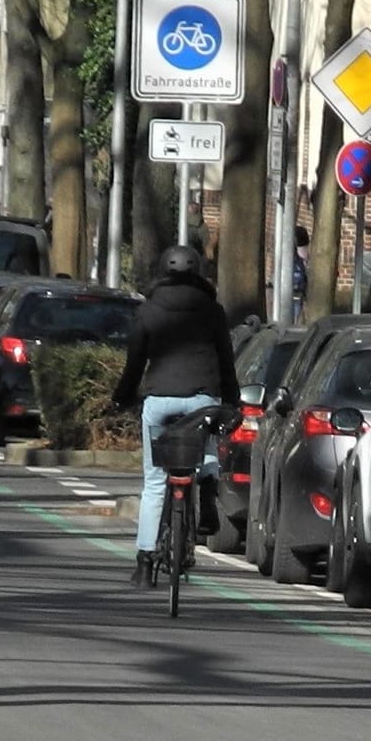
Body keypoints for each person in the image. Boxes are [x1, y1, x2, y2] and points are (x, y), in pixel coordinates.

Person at [112, 245, 241, 589]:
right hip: (201, 395)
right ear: (198, 272)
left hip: (159, 401)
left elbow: (135, 360)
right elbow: (226, 361)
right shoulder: (212, 311)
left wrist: (122, 397)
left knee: (154, 483)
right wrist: (232, 401)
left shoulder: (149, 310)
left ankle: (143, 563)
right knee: (207, 429)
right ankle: (208, 483)